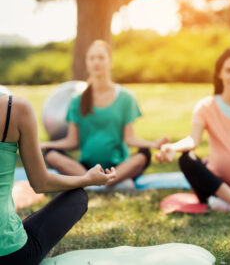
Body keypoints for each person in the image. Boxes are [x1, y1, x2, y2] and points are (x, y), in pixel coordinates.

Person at [0, 91, 116, 264]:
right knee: (77, 197)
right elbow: (41, 183)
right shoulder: (14, 108)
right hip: (11, 255)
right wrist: (88, 179)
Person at [156, 48, 230, 212]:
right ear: (219, 74)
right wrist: (173, 147)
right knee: (186, 159)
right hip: (215, 187)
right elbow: (193, 140)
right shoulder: (206, 106)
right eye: (229, 70)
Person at [41, 40, 168, 186]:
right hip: (85, 169)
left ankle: (102, 183)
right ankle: (94, 181)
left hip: (118, 168)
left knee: (144, 154)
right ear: (87, 63)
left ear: (110, 61)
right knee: (51, 154)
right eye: (92, 58)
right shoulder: (77, 99)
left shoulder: (126, 97)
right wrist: (45, 145)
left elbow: (130, 138)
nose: (96, 62)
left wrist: (153, 144)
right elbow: (72, 141)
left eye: (101, 58)